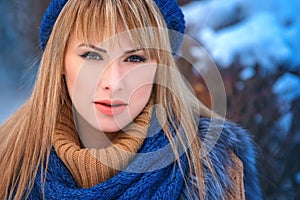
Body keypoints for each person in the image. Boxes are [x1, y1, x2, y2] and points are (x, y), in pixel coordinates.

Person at [0, 0, 262, 199]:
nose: (113, 83)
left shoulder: (216, 167)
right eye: (92, 55)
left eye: (135, 59)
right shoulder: (8, 161)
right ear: (59, 61)